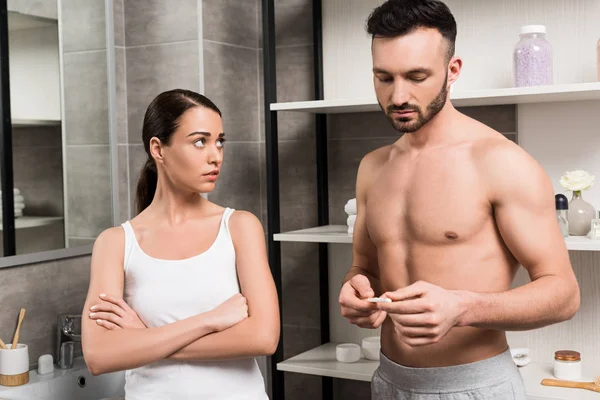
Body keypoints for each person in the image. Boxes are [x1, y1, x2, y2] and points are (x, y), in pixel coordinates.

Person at [338, 1, 580, 399]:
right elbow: (365, 268)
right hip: (389, 382)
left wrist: (463, 308)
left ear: (453, 71)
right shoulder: (373, 167)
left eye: (416, 76)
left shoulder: (500, 162)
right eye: (384, 77)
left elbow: (564, 294)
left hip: (474, 386)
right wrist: (356, 289)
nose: (398, 95)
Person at [81, 89, 279, 400]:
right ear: (158, 149)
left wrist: (144, 341)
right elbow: (99, 356)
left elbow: (264, 338)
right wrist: (209, 321)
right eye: (200, 141)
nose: (215, 155)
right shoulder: (116, 243)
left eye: (219, 141)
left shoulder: (239, 227)